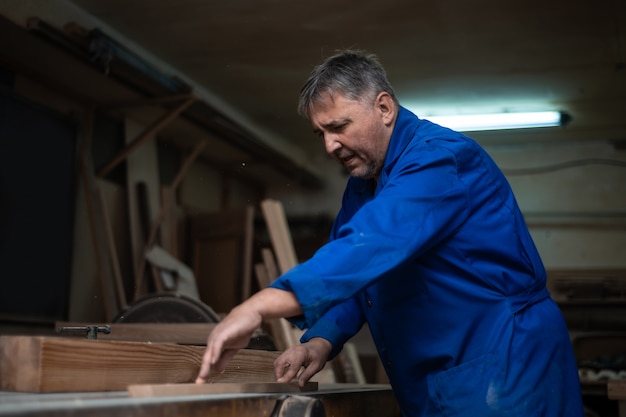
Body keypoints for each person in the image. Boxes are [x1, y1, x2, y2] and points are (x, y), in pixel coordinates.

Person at [196, 50, 584, 416]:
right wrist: (321, 341)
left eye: (339, 127)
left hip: (503, 362)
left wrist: (260, 305)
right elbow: (362, 279)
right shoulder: (365, 183)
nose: (330, 145)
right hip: (449, 373)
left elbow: (369, 248)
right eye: (321, 134)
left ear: (384, 108)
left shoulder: (439, 158)